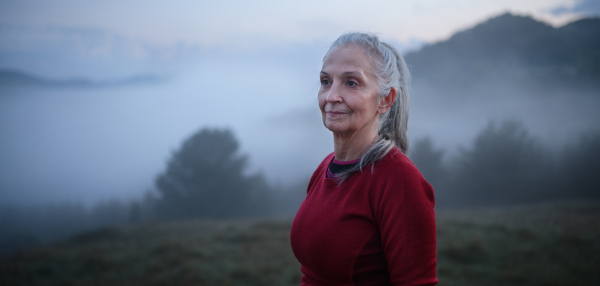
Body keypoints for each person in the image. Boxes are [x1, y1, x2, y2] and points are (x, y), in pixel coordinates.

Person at [290, 32, 438, 286]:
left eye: (351, 83)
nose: (331, 97)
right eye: (326, 81)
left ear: (385, 100)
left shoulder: (400, 181)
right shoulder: (325, 168)